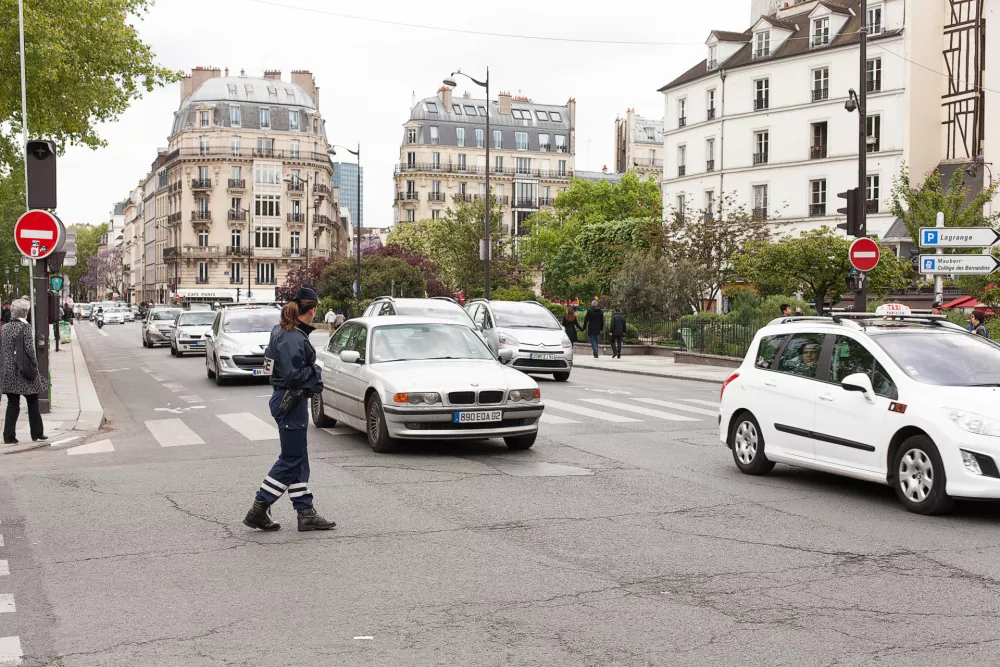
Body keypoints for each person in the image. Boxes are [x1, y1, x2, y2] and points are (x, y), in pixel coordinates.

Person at [244, 286, 335, 533]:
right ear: (313, 310)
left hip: (283, 398)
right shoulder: (293, 337)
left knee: (298, 457)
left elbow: (268, 365)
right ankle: (259, 507)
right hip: (291, 400)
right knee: (291, 458)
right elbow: (295, 376)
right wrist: (316, 371)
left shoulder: (280, 331)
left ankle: (305, 511)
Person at [0, 299, 48, 444]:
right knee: (33, 401)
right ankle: (37, 433)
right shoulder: (25, 328)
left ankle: (9, 436)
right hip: (23, 371)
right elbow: (29, 350)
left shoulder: (5, 328)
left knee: (12, 404)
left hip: (8, 371)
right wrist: (35, 366)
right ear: (24, 312)